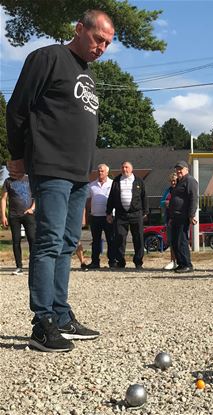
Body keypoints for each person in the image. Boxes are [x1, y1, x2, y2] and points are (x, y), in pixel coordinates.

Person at [6, 9, 113, 352]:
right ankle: (42, 322)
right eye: (98, 39)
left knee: (68, 243)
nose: (102, 48)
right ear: (79, 29)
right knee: (49, 241)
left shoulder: (88, 74)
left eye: (108, 44)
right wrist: (18, 155)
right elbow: (18, 107)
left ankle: (62, 314)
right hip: (50, 165)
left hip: (80, 172)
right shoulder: (49, 57)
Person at [106, 161, 147, 270]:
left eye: (127, 167)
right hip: (121, 214)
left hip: (136, 214)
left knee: (138, 238)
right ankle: (121, 262)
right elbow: (111, 198)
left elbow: (144, 197)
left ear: (131, 169)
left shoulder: (138, 181)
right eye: (123, 167)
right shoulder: (116, 181)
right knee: (119, 238)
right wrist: (108, 212)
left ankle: (138, 262)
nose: (125, 169)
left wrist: (145, 212)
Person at [1, 174, 35, 275]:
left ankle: (34, 266)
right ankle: (19, 267)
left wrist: (32, 208)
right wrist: (3, 216)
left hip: (28, 214)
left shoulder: (29, 179)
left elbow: (37, 195)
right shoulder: (8, 181)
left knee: (32, 239)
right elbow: (3, 199)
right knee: (16, 241)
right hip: (14, 215)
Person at [168, 161, 199, 273]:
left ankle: (187, 264)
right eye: (177, 169)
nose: (179, 171)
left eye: (181, 169)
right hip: (175, 216)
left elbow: (193, 198)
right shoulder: (180, 181)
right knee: (176, 241)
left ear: (187, 169)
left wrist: (191, 215)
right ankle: (181, 263)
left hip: (183, 215)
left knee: (182, 240)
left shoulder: (190, 181)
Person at [86, 163, 114, 269]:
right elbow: (88, 201)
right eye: (98, 170)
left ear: (107, 172)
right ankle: (95, 262)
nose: (100, 172)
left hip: (108, 216)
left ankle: (112, 261)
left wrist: (111, 214)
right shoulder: (91, 185)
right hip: (95, 216)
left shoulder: (112, 184)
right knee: (95, 240)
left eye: (102, 171)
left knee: (111, 239)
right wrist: (88, 214)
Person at [160, 173, 178, 270]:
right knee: (171, 241)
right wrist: (165, 203)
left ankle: (181, 261)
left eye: (174, 180)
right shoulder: (168, 190)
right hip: (169, 219)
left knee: (180, 241)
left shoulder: (181, 190)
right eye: (171, 181)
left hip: (178, 218)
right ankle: (173, 261)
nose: (173, 182)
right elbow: (161, 202)